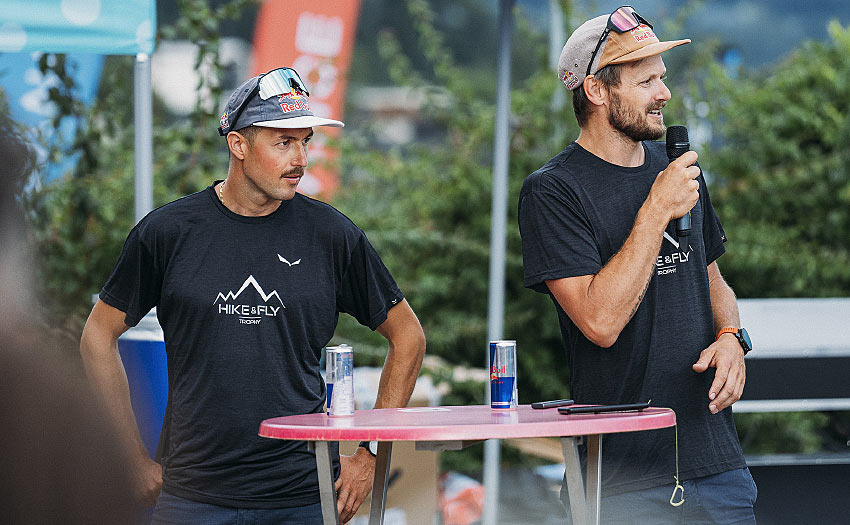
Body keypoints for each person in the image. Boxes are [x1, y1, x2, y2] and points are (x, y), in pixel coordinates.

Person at [79, 66, 426, 524]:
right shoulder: (167, 233)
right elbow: (96, 336)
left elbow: (408, 336)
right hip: (191, 496)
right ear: (238, 145)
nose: (301, 159)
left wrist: (371, 454)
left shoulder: (331, 235)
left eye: (305, 141)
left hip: (302, 496)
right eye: (283, 142)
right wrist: (128, 456)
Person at [518, 7, 756, 524]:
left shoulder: (678, 173)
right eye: (645, 80)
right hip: (620, 481)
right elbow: (599, 322)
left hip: (717, 466)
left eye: (662, 78)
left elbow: (713, 282)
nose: (663, 93)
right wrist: (655, 210)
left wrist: (733, 336)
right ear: (598, 92)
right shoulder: (553, 191)